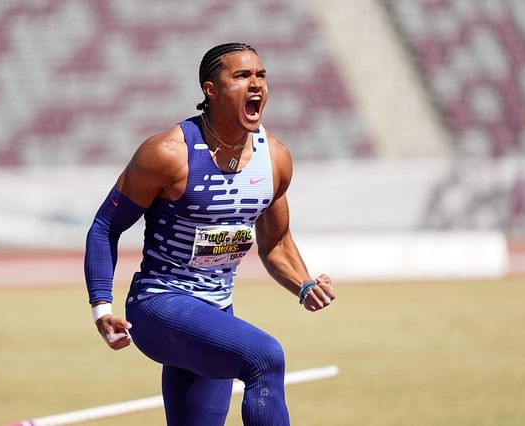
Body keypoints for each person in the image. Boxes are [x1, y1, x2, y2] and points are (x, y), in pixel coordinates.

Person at [84, 42, 336, 426]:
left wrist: (303, 284)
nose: (256, 85)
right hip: (160, 307)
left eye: (261, 76)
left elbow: (276, 241)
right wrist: (102, 310)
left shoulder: (276, 159)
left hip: (216, 311)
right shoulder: (169, 153)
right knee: (265, 357)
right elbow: (105, 227)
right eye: (241, 76)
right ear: (210, 89)